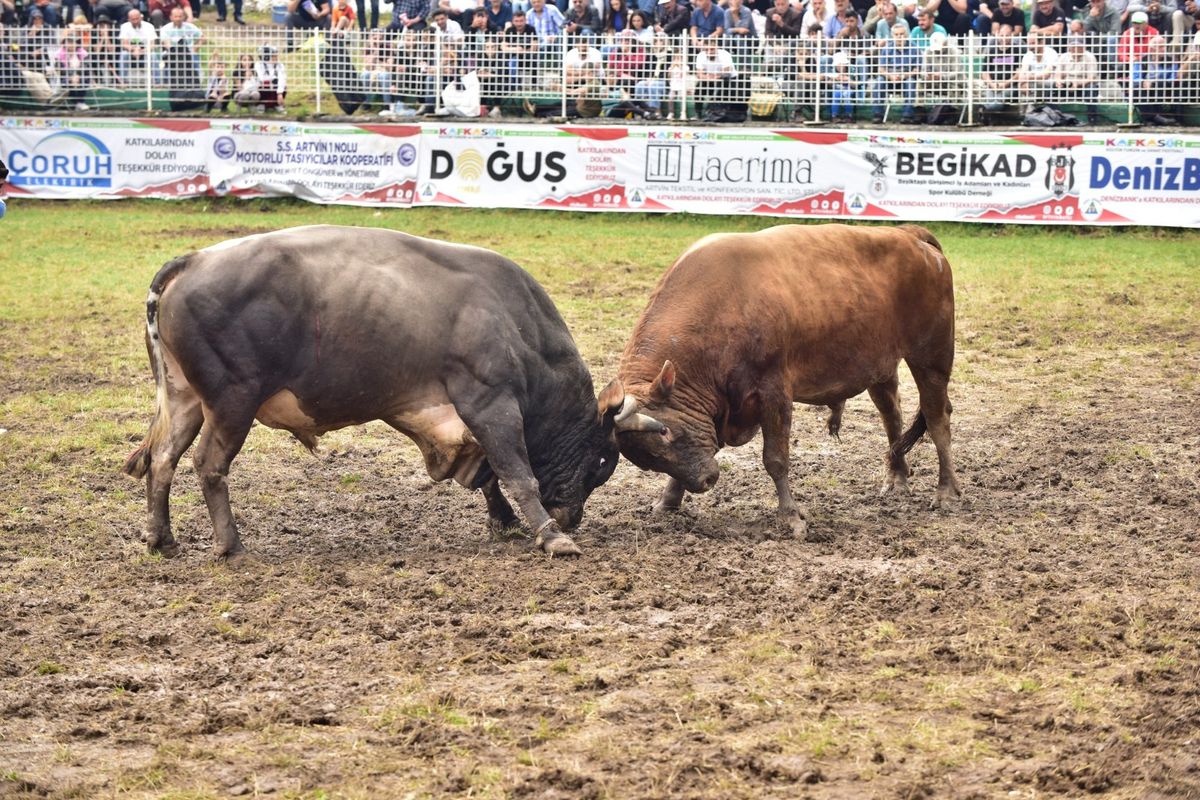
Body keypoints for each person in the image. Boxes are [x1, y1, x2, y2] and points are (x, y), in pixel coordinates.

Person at [871, 22, 919, 120]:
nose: (899, 37)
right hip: (890, 78)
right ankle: (878, 114)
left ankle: (907, 115)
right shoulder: (887, 48)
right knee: (879, 81)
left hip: (906, 77)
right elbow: (881, 69)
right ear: (892, 36)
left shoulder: (914, 48)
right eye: (896, 35)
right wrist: (890, 76)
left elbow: (917, 70)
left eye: (901, 34)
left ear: (906, 35)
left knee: (911, 82)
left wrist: (903, 76)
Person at [1132, 33, 1177, 123]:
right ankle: (1153, 118)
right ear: (1152, 49)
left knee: (1159, 84)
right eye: (1160, 47)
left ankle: (1155, 117)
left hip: (1164, 87)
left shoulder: (1171, 60)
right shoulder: (1142, 60)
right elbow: (1134, 77)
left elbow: (1173, 78)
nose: (1164, 49)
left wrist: (1157, 82)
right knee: (1136, 90)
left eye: (1164, 46)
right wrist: (1143, 81)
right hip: (1146, 87)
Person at [1053, 32, 1098, 121]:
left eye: (1078, 47)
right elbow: (1057, 74)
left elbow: (1091, 78)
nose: (1075, 49)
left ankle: (1092, 118)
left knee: (1091, 89)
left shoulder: (1089, 57)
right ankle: (1055, 117)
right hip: (1067, 85)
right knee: (1051, 88)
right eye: (1073, 47)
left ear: (1083, 47)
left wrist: (1077, 83)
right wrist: (1059, 81)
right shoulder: (1064, 56)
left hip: (1083, 85)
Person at [693, 34, 735, 116]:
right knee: (699, 88)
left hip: (727, 81)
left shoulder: (724, 54)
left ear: (716, 47)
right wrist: (711, 77)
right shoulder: (701, 56)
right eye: (707, 50)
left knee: (723, 82)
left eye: (712, 49)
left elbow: (726, 72)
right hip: (710, 79)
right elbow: (699, 75)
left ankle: (715, 112)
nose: (709, 52)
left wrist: (711, 76)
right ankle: (697, 113)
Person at [1016, 29, 1057, 110]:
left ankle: (1031, 111)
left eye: (1033, 43)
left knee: (1037, 84)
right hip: (1032, 82)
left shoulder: (1051, 53)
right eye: (1029, 43)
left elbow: (1046, 75)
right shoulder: (1028, 55)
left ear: (1041, 43)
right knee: (1022, 85)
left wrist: (1028, 78)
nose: (1030, 47)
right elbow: (1022, 73)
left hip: (1049, 84)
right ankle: (1025, 114)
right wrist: (1022, 83)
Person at [981, 22, 1019, 109]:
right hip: (993, 85)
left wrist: (1004, 84)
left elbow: (1019, 73)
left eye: (1007, 35)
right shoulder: (991, 50)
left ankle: (985, 110)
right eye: (1002, 35)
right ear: (998, 35)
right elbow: (985, 72)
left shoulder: (1017, 50)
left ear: (1012, 35)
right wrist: (992, 84)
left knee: (997, 103)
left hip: (1010, 86)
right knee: (991, 101)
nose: (1004, 38)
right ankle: (987, 110)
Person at [118, 9, 156, 85]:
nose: (135, 21)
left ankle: (158, 82)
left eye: (137, 18)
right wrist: (133, 49)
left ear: (141, 17)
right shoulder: (124, 26)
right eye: (133, 19)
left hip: (145, 51)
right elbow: (124, 44)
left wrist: (142, 51)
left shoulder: (149, 26)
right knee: (123, 55)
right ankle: (123, 82)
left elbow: (153, 44)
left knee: (154, 56)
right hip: (130, 51)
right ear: (129, 19)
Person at [254, 43, 287, 110]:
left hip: (275, 88)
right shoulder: (259, 65)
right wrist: (273, 79)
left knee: (282, 86)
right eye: (274, 56)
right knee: (266, 84)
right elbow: (261, 78)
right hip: (263, 89)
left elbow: (282, 78)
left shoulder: (280, 65)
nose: (276, 57)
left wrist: (279, 93)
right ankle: (262, 104)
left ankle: (276, 104)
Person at [827, 48, 858, 119]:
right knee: (836, 94)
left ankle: (848, 115)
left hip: (849, 89)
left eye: (842, 64)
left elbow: (856, 85)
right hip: (837, 89)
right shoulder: (832, 70)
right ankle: (834, 115)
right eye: (838, 65)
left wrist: (848, 80)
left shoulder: (852, 69)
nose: (839, 66)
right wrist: (833, 79)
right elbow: (829, 84)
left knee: (847, 94)